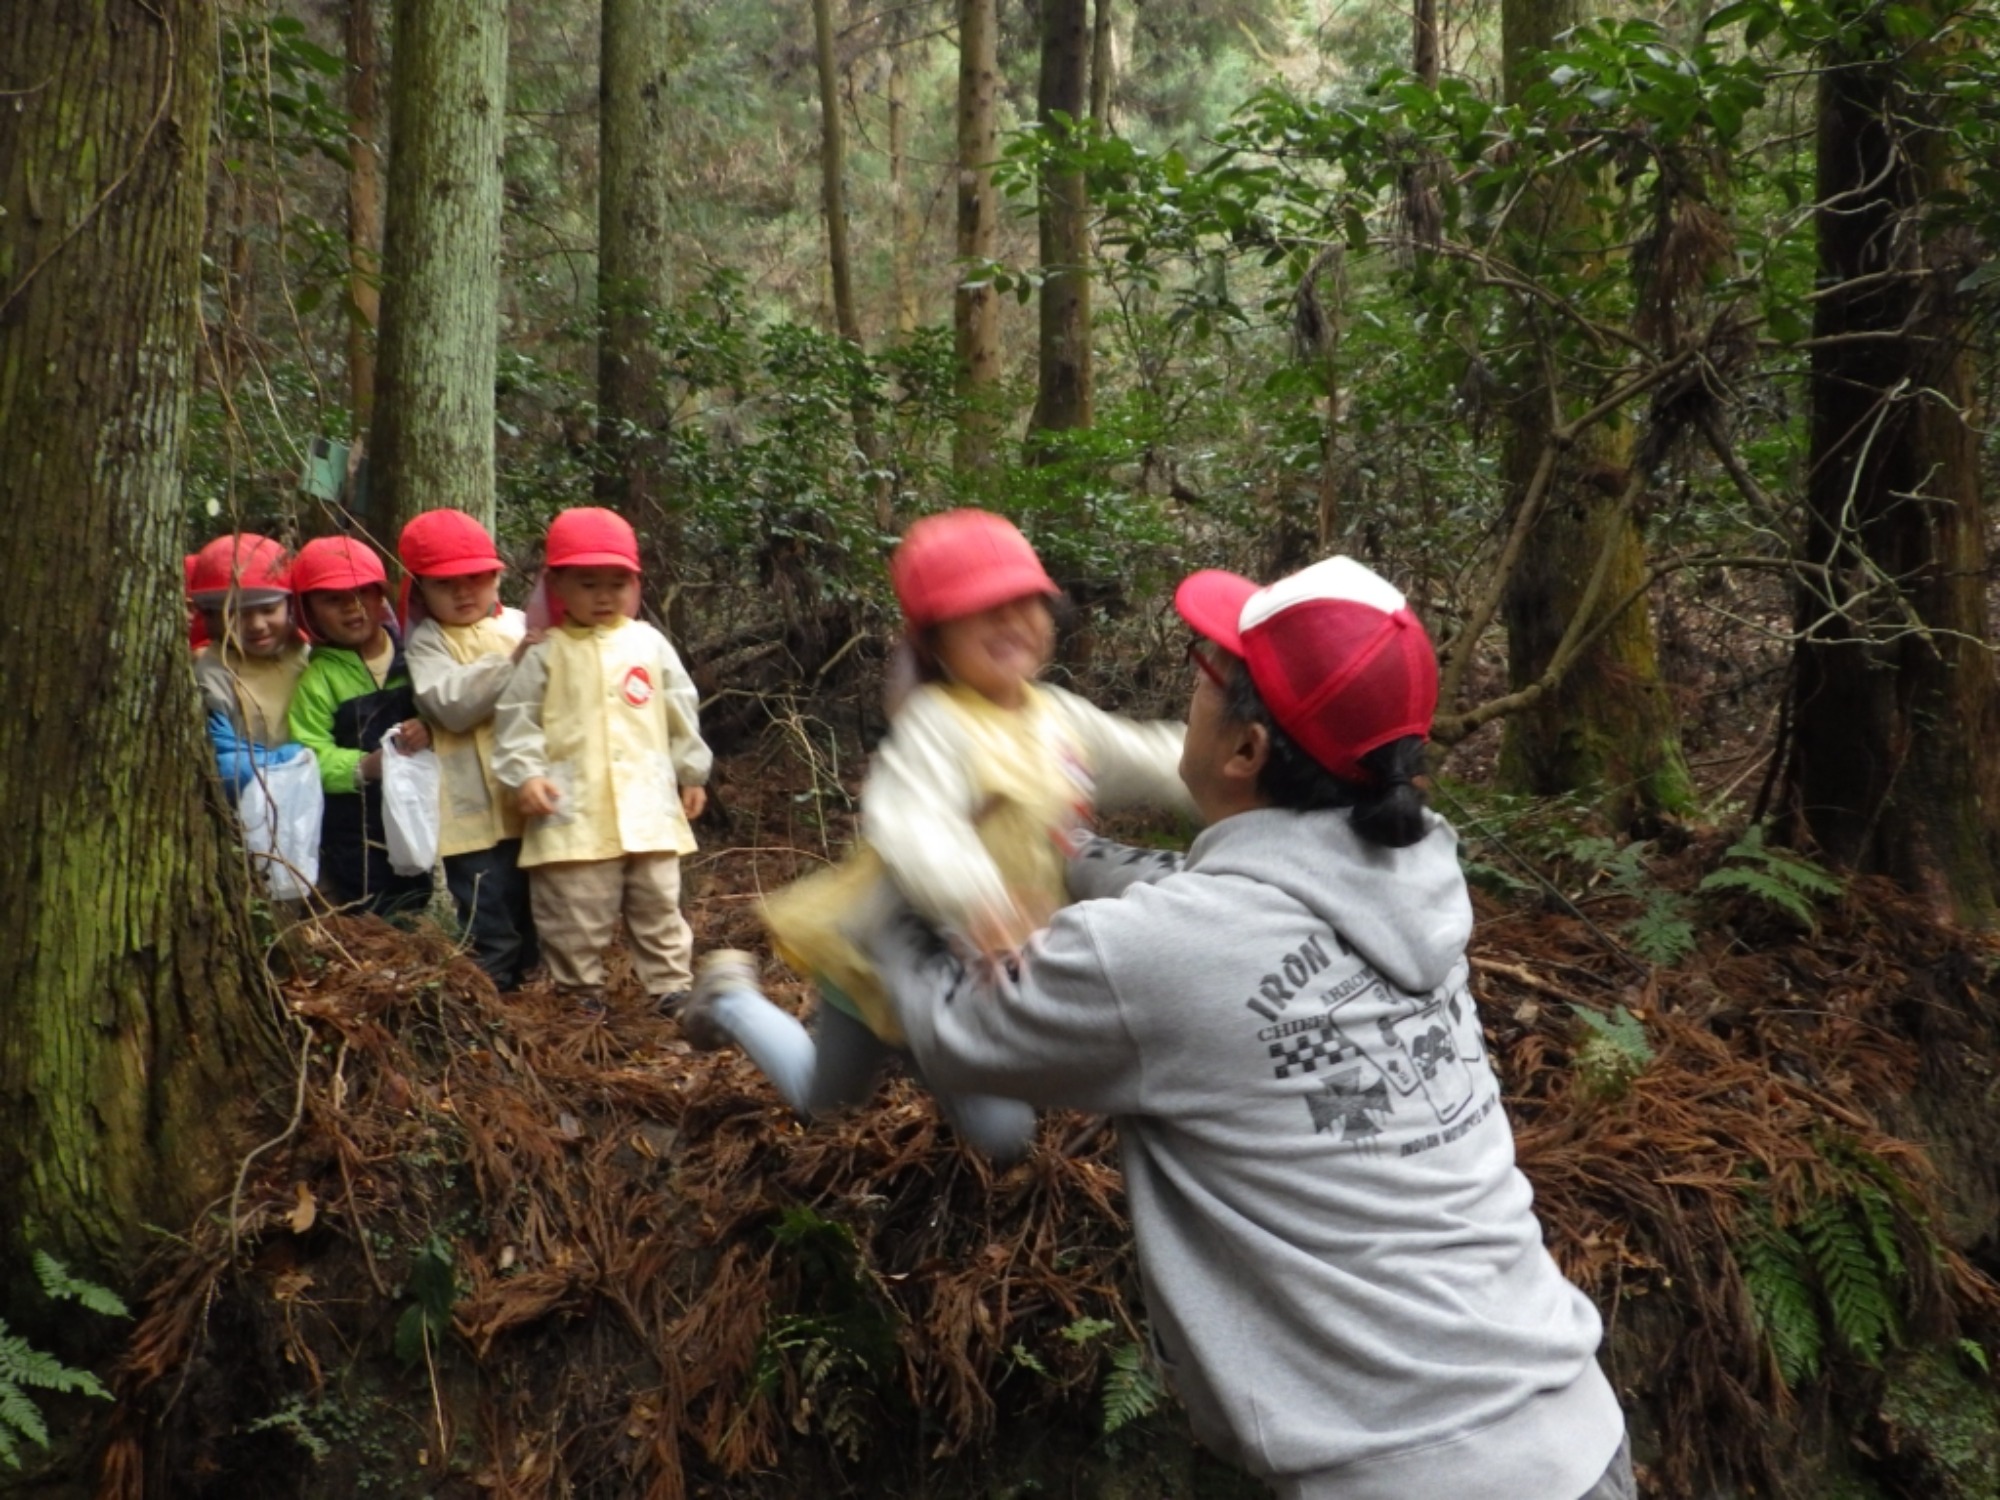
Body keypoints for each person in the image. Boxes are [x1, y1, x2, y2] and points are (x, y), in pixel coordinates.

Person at [869, 555, 1633, 1500]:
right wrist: (1063, 847)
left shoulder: (1160, 956)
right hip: (1571, 1427)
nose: (1191, 685)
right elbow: (1211, 908)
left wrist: (899, 880)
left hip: (1401, 1474)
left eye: (1208, 673)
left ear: (1246, 752)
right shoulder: (1421, 868)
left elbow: (953, 1029)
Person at [682, 508, 1191, 1161]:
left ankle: (933, 1066)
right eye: (981, 611)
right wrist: (979, 899)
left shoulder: (1059, 717)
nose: (1010, 622)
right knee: (825, 1102)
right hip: (882, 959)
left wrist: (1226, 775)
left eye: (1024, 604)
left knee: (1002, 1137)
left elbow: (1146, 756)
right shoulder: (936, 726)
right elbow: (914, 826)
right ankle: (731, 1001)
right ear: (935, 641)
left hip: (971, 973)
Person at [492, 507, 711, 1019]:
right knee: (574, 909)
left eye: (617, 583)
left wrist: (692, 771)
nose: (604, 596)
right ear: (558, 587)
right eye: (587, 583)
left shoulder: (648, 643)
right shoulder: (546, 652)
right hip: (572, 809)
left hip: (648, 804)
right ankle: (579, 991)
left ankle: (671, 986)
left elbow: (680, 706)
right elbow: (516, 719)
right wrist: (526, 774)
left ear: (635, 586)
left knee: (658, 902)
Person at [399, 508, 540, 991]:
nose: (463, 592)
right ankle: (494, 1013)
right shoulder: (427, 642)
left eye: (475, 579)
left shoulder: (523, 624)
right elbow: (451, 704)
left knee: (539, 913)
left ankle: (548, 1015)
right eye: (446, 584)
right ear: (420, 590)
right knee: (489, 920)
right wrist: (512, 662)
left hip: (530, 799)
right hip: (470, 814)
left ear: (497, 578)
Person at [288, 534, 433, 915]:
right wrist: (361, 766)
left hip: (420, 813)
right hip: (355, 831)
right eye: (333, 600)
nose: (353, 608)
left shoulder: (415, 656)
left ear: (380, 595)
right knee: (372, 914)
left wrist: (429, 727)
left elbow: (450, 709)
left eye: (362, 593)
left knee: (421, 902)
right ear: (308, 611)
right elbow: (308, 754)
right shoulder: (318, 680)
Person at [188, 532, 311, 794]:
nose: (256, 625)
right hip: (259, 800)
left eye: (268, 610)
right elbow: (224, 760)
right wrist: (290, 761)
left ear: (290, 606)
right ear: (211, 616)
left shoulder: (305, 653)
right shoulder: (214, 673)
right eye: (236, 614)